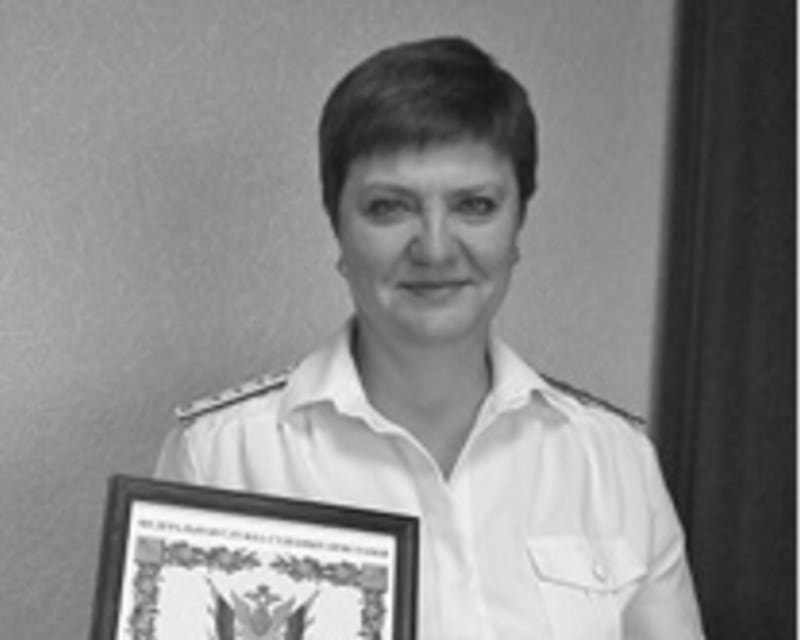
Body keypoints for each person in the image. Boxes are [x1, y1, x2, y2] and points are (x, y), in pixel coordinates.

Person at [156, 36, 705, 639]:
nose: (436, 248)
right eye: (389, 207)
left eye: (475, 205)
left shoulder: (614, 460)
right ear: (338, 226)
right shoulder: (224, 456)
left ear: (518, 224)